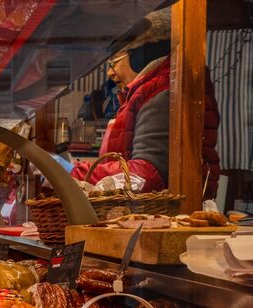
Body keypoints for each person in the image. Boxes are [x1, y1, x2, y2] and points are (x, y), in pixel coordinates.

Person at [69, 9, 221, 196]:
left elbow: (147, 173)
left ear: (139, 55)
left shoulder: (162, 92)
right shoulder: (144, 91)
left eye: (114, 62)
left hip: (157, 216)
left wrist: (76, 172)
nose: (110, 73)